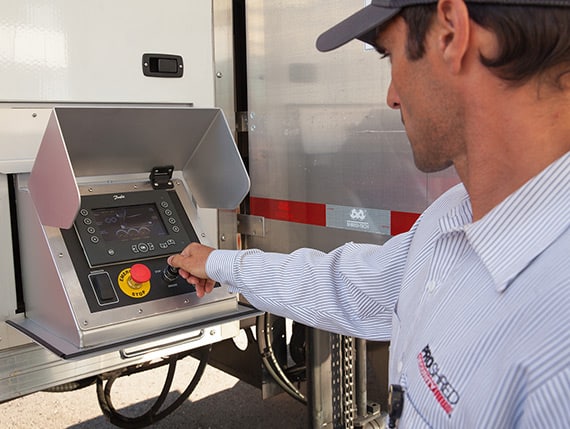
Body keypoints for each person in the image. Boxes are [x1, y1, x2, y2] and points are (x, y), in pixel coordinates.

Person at [169, 0, 570, 426]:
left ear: (451, 34)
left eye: (391, 55)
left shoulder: (556, 352)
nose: (391, 97)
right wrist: (219, 262)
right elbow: (349, 286)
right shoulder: (453, 216)